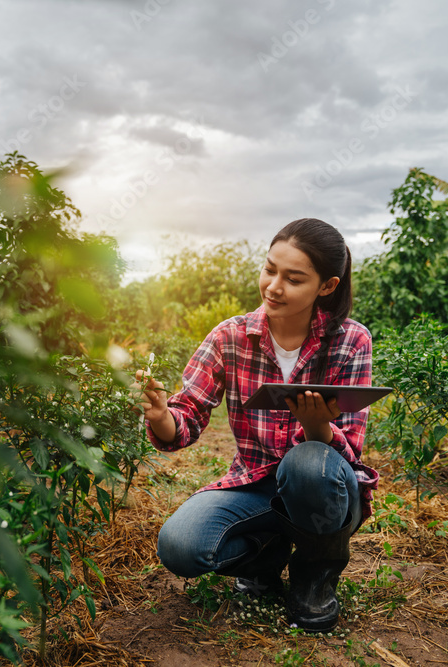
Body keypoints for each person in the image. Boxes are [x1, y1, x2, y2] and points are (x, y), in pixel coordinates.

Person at [132, 218, 378, 633]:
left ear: (327, 286)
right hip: (256, 484)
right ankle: (267, 554)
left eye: (293, 278)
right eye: (269, 269)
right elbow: (187, 415)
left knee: (307, 463)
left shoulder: (351, 341)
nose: (273, 287)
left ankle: (313, 576)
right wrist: (161, 416)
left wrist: (318, 429)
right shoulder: (230, 337)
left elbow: (348, 452)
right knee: (180, 546)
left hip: (326, 487)